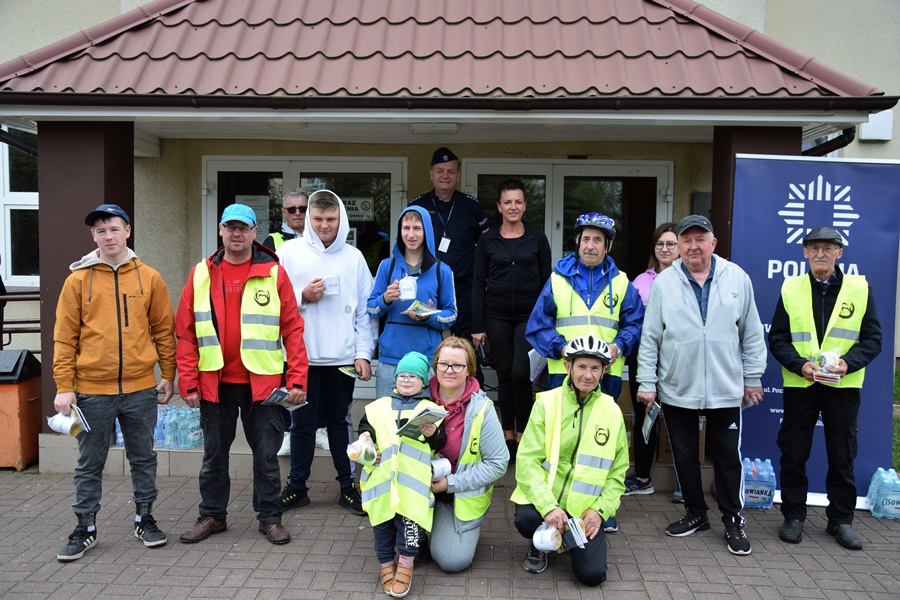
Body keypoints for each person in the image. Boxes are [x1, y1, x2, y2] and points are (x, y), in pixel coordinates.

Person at [176, 203, 308, 546]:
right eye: (230, 227)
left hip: (262, 385)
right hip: (214, 384)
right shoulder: (201, 273)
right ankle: (212, 516)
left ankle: (269, 517)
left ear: (253, 232)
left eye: (243, 228)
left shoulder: (273, 272)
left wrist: (296, 380)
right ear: (221, 230)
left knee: (266, 455)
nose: (237, 234)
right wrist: (187, 381)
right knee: (214, 455)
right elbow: (187, 332)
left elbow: (293, 330)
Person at [636, 214, 766, 556]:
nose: (693, 246)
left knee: (726, 457)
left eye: (700, 239)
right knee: (684, 455)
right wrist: (647, 382)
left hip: (726, 387)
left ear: (713, 243)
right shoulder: (665, 283)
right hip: (677, 384)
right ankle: (696, 513)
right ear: (678, 246)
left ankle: (733, 520)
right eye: (686, 240)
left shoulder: (737, 277)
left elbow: (751, 333)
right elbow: (650, 337)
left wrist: (752, 377)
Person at [53, 204, 176, 561]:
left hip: (140, 389)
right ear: (93, 236)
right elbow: (65, 337)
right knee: (89, 463)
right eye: (101, 231)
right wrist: (64, 385)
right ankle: (85, 527)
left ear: (128, 231)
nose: (108, 236)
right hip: (92, 391)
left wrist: (168, 375)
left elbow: (164, 332)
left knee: (144, 458)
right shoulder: (77, 280)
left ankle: (145, 518)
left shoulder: (149, 277)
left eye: (114, 229)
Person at [526, 212, 643, 533]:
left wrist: (619, 346)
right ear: (577, 242)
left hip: (606, 377)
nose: (591, 246)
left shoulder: (622, 283)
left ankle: (601, 508)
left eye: (598, 240)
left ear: (609, 245)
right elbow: (537, 326)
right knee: (558, 443)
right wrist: (562, 349)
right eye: (586, 239)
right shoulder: (557, 280)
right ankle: (553, 505)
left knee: (601, 446)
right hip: (560, 375)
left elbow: (635, 323)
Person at [768, 227, 881, 550]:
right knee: (794, 452)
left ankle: (841, 520)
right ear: (804, 253)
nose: (821, 254)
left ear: (839, 253)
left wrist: (849, 362)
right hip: (801, 384)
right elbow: (777, 338)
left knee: (842, 454)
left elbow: (873, 339)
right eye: (814, 248)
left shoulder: (859, 289)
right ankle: (793, 517)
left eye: (828, 248)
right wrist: (799, 364)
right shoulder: (791, 288)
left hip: (842, 386)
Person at [277, 189, 377, 516]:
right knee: (302, 425)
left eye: (330, 219)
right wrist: (302, 294)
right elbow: (272, 299)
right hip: (301, 358)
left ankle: (348, 487)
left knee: (338, 422)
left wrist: (363, 353)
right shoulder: (290, 253)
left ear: (341, 220)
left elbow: (364, 312)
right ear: (308, 218)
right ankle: (296, 487)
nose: (324, 225)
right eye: (318, 219)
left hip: (341, 360)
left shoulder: (354, 258)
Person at [511, 335, 628, 586]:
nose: (588, 374)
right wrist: (548, 507)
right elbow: (527, 460)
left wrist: (600, 511)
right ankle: (540, 543)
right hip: (547, 503)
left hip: (584, 512)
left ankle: (565, 540)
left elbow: (618, 472)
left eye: (595, 368)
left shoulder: (612, 410)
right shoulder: (546, 403)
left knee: (592, 576)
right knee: (526, 519)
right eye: (582, 366)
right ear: (568, 367)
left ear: (605, 370)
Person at [471, 179, 551, 459]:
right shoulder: (487, 239)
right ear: (499, 206)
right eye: (507, 202)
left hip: (529, 318)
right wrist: (477, 325)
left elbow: (547, 284)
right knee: (504, 375)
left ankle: (525, 432)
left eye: (518, 202)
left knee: (521, 374)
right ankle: (508, 435)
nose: (513, 207)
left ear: (525, 205)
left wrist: (546, 322)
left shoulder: (537, 239)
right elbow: (478, 282)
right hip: (496, 315)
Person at [357, 351, 446, 598]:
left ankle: (405, 567)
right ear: (395, 379)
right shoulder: (377, 407)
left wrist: (432, 434)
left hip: (412, 486)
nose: (406, 380)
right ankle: (386, 566)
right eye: (402, 376)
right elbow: (365, 429)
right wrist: (365, 438)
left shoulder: (430, 409)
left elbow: (441, 441)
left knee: (410, 529)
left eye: (413, 376)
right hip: (381, 483)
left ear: (424, 381)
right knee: (382, 529)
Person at [428, 337, 509, 573]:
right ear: (436, 365)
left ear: (469, 370)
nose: (449, 371)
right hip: (417, 487)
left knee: (452, 561)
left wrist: (449, 484)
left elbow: (498, 463)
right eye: (443, 364)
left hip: (455, 495)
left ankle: (444, 526)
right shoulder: (418, 395)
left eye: (458, 366)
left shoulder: (483, 409)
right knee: (400, 544)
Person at [409, 147, 489, 369]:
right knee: (428, 349)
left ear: (458, 174)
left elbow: (484, 247)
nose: (445, 175)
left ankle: (468, 400)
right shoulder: (418, 205)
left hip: (463, 288)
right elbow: (407, 242)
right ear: (431, 174)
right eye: (440, 170)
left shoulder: (471, 206)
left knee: (465, 352)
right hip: (427, 287)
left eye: (451, 171)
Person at [367, 205, 457, 399]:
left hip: (426, 359)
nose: (411, 234)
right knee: (387, 420)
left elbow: (452, 314)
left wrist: (429, 316)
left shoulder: (442, 271)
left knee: (423, 422)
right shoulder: (386, 266)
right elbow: (371, 309)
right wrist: (385, 299)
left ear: (427, 232)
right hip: (391, 358)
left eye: (417, 228)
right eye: (406, 228)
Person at [623, 222, 678, 498]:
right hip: (643, 359)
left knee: (681, 418)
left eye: (671, 244)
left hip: (677, 359)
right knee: (646, 416)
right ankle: (643, 477)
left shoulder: (688, 279)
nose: (665, 249)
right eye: (660, 244)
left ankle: (684, 482)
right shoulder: (640, 281)